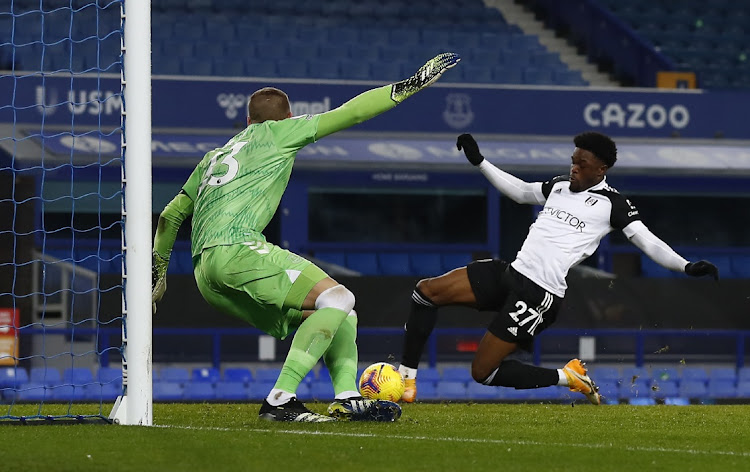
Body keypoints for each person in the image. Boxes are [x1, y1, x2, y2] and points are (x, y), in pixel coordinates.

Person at [151, 53, 461, 422]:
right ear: (287, 118)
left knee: (342, 314)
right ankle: (280, 400)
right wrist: (408, 87)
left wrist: (159, 273)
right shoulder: (280, 131)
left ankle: (346, 397)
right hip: (237, 248)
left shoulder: (213, 157)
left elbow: (170, 216)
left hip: (205, 274)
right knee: (340, 296)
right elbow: (352, 112)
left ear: (247, 120)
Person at [397, 132, 719, 404]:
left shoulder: (613, 204)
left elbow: (649, 242)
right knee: (427, 292)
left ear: (601, 169)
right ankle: (407, 380)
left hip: (539, 293)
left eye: (583, 164)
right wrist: (480, 161)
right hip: (511, 272)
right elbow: (522, 192)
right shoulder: (560, 186)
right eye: (573, 160)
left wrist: (686, 265)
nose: (574, 167)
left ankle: (568, 377)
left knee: (483, 372)